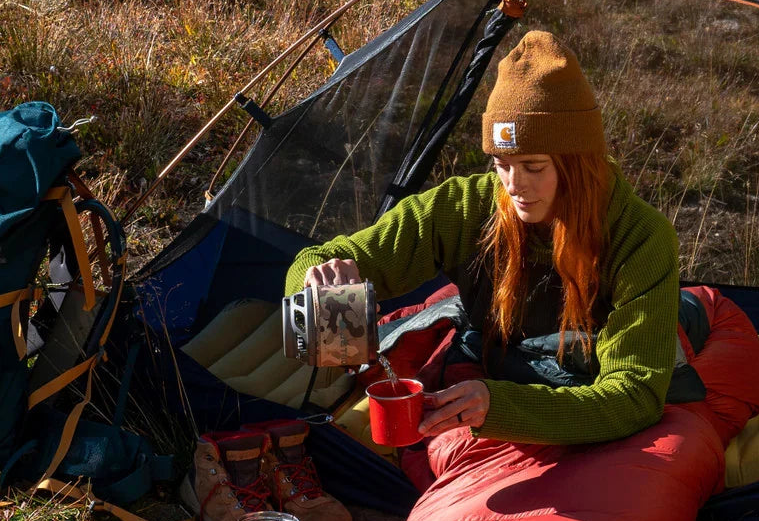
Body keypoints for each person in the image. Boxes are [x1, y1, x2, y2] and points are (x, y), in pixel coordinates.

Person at [283, 30, 682, 446]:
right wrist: (317, 286)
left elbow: (636, 394)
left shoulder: (640, 236)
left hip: (585, 381)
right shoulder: (467, 206)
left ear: (578, 164)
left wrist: (500, 408)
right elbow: (325, 257)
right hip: (499, 367)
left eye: (533, 166)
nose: (514, 185)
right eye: (501, 165)